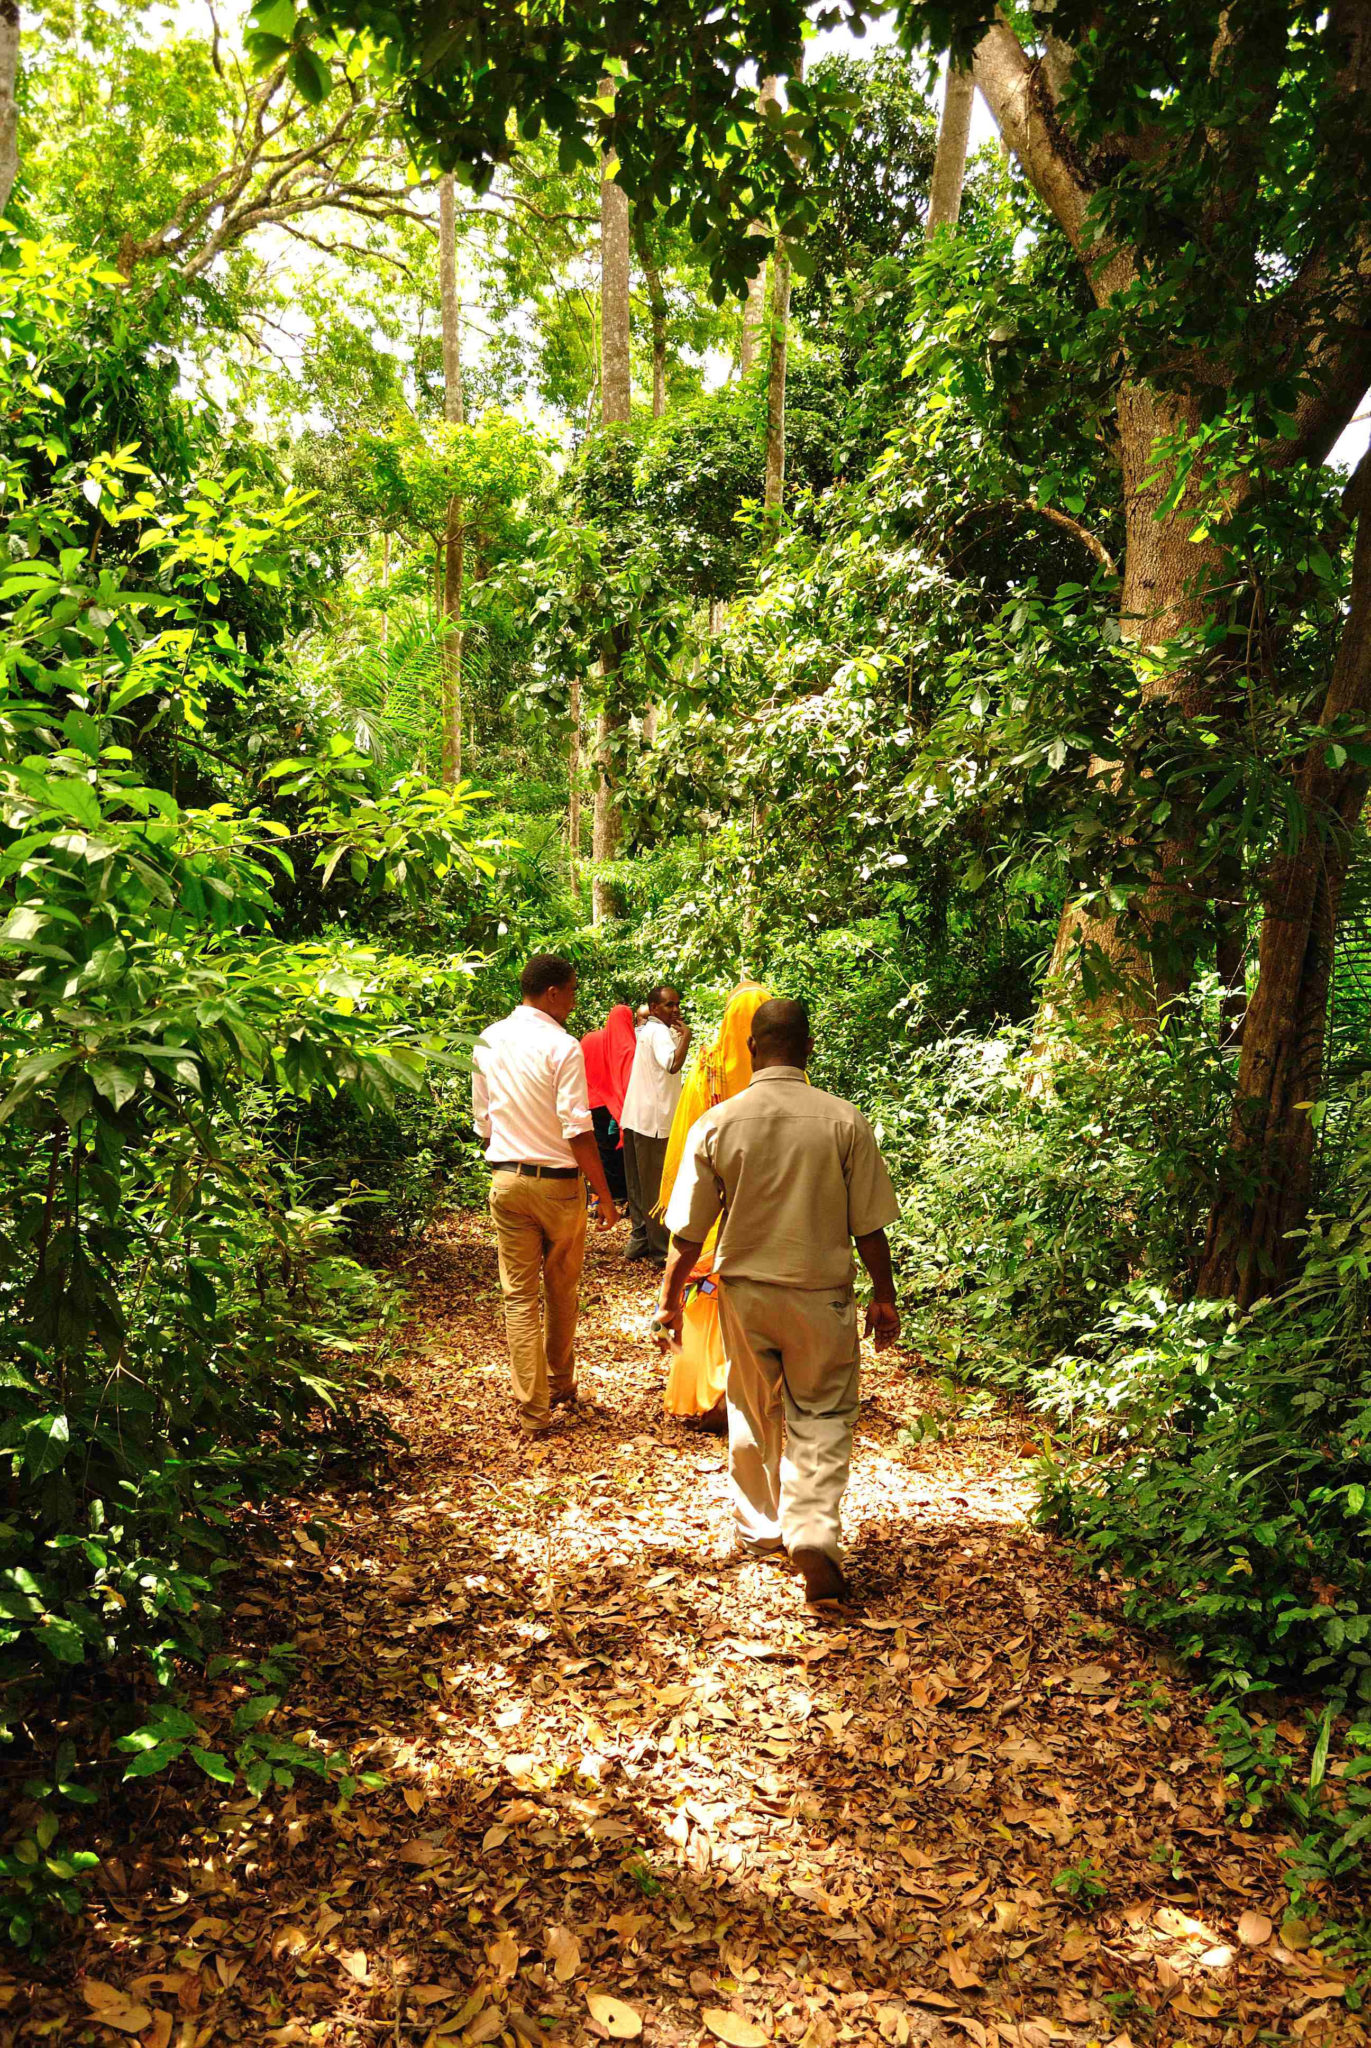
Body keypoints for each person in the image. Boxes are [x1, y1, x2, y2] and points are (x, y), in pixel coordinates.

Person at [655, 997, 900, 1606]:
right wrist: (885, 1296)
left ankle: (762, 1530)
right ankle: (813, 1529)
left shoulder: (719, 1122)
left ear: (751, 1049)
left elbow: (687, 1231)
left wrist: (670, 1299)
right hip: (821, 1293)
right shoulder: (844, 1121)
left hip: (746, 1292)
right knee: (821, 1410)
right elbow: (869, 1226)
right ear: (809, 1049)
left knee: (750, 1404)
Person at [472, 954, 618, 1435]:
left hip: (507, 1181)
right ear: (552, 992)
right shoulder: (562, 1045)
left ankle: (533, 1410)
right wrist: (605, 1194)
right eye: (572, 992)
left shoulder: (488, 1039)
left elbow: (483, 1121)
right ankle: (559, 1384)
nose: (575, 1002)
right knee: (560, 1289)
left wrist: (511, 1151)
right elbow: (578, 1129)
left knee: (519, 1297)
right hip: (557, 1186)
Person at [655, 982, 772, 1429]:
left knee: (706, 1297)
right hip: (767, 1206)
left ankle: (708, 1392)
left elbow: (690, 1136)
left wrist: (684, 1199)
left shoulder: (708, 1066)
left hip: (716, 1205)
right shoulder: (785, 1074)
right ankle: (754, 1387)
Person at [620, 984, 691, 1264]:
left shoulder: (649, 1031)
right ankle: (660, 1251)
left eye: (677, 1004)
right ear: (653, 1007)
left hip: (639, 1118)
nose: (675, 1010)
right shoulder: (659, 1032)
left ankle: (639, 1242)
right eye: (668, 1005)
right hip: (654, 1123)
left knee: (638, 1186)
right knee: (655, 1188)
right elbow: (672, 1064)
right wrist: (687, 1037)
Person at [580, 1004, 634, 1206]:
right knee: (619, 1149)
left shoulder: (590, 1039)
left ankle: (607, 1194)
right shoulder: (625, 1041)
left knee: (601, 1148)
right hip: (618, 1103)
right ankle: (622, 1193)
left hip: (592, 1101)